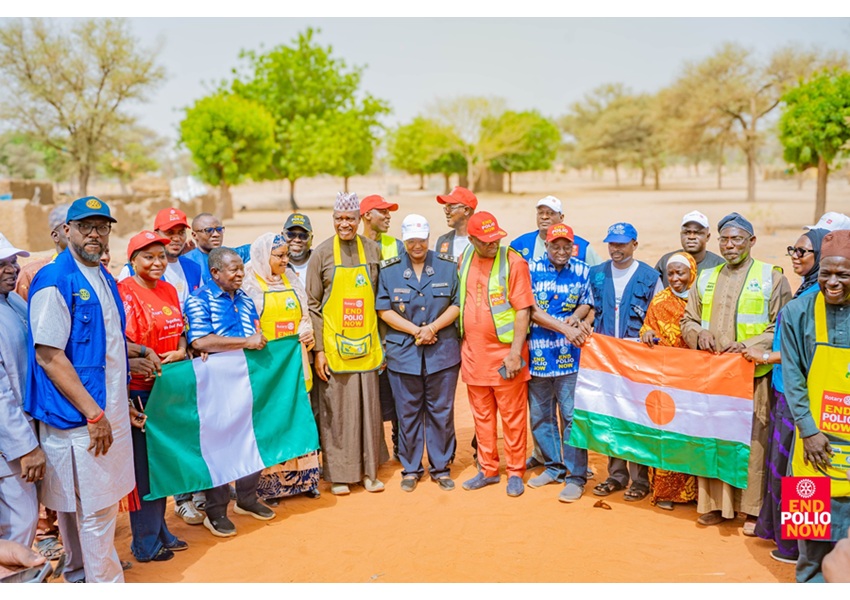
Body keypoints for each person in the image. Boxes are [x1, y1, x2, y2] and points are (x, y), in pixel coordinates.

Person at [24, 196, 134, 583]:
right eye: (85, 226)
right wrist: (95, 413)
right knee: (98, 511)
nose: (94, 233)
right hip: (81, 420)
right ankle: (106, 583)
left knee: (84, 510)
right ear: (66, 231)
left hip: (106, 411)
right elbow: (49, 356)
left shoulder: (101, 276)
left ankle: (80, 575)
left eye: (102, 226)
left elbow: (107, 348)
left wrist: (121, 404)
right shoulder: (56, 280)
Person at [681, 212, 791, 532]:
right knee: (715, 437)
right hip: (714, 376)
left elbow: (780, 327)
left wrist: (746, 345)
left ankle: (753, 509)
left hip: (752, 375)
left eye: (737, 239)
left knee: (753, 441)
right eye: (725, 240)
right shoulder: (704, 277)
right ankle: (715, 505)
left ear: (752, 242)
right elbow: (688, 321)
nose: (730, 246)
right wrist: (697, 335)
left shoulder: (772, 277)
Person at [184, 247, 275, 537]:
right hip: (215, 385)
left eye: (241, 268)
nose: (240, 274)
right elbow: (200, 341)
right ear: (215, 273)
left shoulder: (246, 299)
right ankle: (216, 510)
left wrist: (256, 341)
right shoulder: (199, 300)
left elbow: (256, 334)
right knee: (219, 444)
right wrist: (245, 342)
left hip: (246, 382)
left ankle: (247, 499)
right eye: (233, 269)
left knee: (251, 436)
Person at [749, 228, 827, 564]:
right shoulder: (806, 287)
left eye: (804, 251)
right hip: (785, 389)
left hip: (802, 395)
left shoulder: (818, 296)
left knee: (800, 469)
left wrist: (763, 356)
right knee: (782, 465)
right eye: (792, 249)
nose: (795, 255)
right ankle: (781, 534)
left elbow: (802, 351)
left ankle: (797, 547)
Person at [780, 229, 850, 583]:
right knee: (811, 556)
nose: (832, 282)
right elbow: (792, 376)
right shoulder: (797, 312)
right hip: (812, 450)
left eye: (843, 274)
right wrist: (808, 431)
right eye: (826, 273)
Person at [306, 192, 387, 496]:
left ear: (359, 219)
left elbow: (382, 299)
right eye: (339, 218)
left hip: (367, 343)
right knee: (336, 411)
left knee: (368, 410)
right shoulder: (322, 254)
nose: (345, 224)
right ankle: (339, 474)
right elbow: (312, 303)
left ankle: (368, 472)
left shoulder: (373, 250)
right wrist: (319, 351)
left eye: (350, 218)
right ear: (333, 220)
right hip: (334, 347)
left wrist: (383, 344)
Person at [118, 231, 189, 562]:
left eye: (161, 256)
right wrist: (146, 359)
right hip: (140, 393)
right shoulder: (126, 294)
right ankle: (144, 542)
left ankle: (160, 529)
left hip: (168, 389)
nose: (157, 262)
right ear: (133, 261)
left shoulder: (170, 289)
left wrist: (179, 350)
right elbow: (123, 344)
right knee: (145, 469)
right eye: (148, 257)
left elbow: (180, 333)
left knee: (163, 465)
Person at [376, 214, 461, 492]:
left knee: (441, 411)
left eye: (421, 240)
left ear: (428, 238)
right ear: (404, 240)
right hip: (404, 354)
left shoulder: (447, 267)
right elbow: (384, 309)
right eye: (411, 240)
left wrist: (433, 327)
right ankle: (410, 468)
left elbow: (457, 304)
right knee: (408, 412)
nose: (417, 246)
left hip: (442, 352)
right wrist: (415, 330)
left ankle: (440, 467)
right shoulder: (389, 269)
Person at [458, 211, 534, 497]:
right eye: (486, 241)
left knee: (513, 418)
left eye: (496, 239)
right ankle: (488, 469)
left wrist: (515, 354)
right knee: (482, 418)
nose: (493, 245)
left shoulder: (513, 262)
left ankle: (515, 471)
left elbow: (523, 310)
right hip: (474, 357)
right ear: (472, 239)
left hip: (505, 358)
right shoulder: (465, 257)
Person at [241, 233, 320, 503]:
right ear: (265, 256)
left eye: (286, 255)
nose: (286, 260)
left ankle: (304, 481)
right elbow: (247, 324)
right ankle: (271, 485)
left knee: (298, 416)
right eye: (280, 256)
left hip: (294, 363)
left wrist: (306, 332)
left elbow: (305, 314)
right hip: (267, 366)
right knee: (271, 420)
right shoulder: (249, 282)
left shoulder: (292, 279)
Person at [589, 222, 659, 502]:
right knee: (611, 416)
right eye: (612, 243)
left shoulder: (650, 276)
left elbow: (657, 314)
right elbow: (590, 309)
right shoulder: (596, 274)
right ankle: (616, 474)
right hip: (605, 359)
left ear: (634, 244)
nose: (616, 249)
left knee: (636, 417)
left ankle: (640, 478)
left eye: (621, 243)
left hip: (638, 361)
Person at [526, 223, 594, 503]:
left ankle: (576, 476)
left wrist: (577, 316)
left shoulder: (582, 270)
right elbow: (530, 311)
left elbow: (587, 303)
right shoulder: (530, 269)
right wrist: (564, 328)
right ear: (547, 245)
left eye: (567, 246)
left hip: (570, 358)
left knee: (571, 418)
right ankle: (553, 467)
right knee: (541, 416)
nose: (562, 251)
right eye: (556, 246)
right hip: (539, 355)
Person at [639, 252, 700, 510]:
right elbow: (646, 328)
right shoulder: (660, 300)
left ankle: (696, 494)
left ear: (692, 274)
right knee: (666, 433)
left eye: (681, 273)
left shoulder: (703, 299)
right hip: (665, 378)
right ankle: (665, 492)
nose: (675, 279)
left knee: (693, 433)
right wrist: (648, 333)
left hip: (696, 378)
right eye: (670, 274)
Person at [0, 234, 43, 546]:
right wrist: (24, 448)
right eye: (1, 264)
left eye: (13, 262)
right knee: (20, 523)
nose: (11, 269)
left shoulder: (14, 301)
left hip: (26, 429)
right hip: (12, 443)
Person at [359, 194, 403, 458]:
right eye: (382, 212)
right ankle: (373, 450)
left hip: (392, 332)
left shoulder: (395, 245)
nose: (388, 217)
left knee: (398, 393)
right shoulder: (352, 246)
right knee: (368, 395)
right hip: (361, 332)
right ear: (366, 216)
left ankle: (402, 446)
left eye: (389, 212)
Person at [118, 208, 202, 306]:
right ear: (156, 234)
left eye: (181, 233)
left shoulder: (194, 268)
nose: (176, 238)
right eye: (170, 233)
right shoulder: (132, 270)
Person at [510, 195, 602, 266]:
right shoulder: (520, 244)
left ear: (561, 217)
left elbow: (600, 275)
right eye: (540, 213)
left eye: (550, 213)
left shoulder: (581, 246)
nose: (544, 217)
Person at [654, 210, 724, 291]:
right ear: (681, 235)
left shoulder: (719, 265)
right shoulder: (666, 261)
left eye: (697, 233)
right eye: (687, 232)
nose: (691, 237)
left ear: (707, 237)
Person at [15, 203, 70, 301]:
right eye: (69, 229)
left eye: (82, 227)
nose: (78, 233)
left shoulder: (93, 269)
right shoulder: (31, 273)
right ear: (55, 236)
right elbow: (21, 312)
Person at [182, 213, 251, 284]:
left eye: (219, 229)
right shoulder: (187, 262)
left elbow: (258, 247)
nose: (216, 234)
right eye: (208, 230)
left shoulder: (231, 255)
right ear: (194, 235)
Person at [434, 186, 477, 260]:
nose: (446, 212)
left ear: (466, 210)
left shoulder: (483, 243)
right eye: (446, 208)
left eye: (450, 208)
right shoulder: (441, 242)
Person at [360, 194, 403, 259]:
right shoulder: (354, 247)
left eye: (388, 212)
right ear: (368, 215)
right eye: (384, 212)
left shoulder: (397, 246)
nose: (389, 216)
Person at [282, 213, 314, 282]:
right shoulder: (273, 264)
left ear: (311, 239)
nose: (297, 240)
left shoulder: (320, 262)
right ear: (282, 236)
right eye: (291, 235)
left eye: (303, 236)